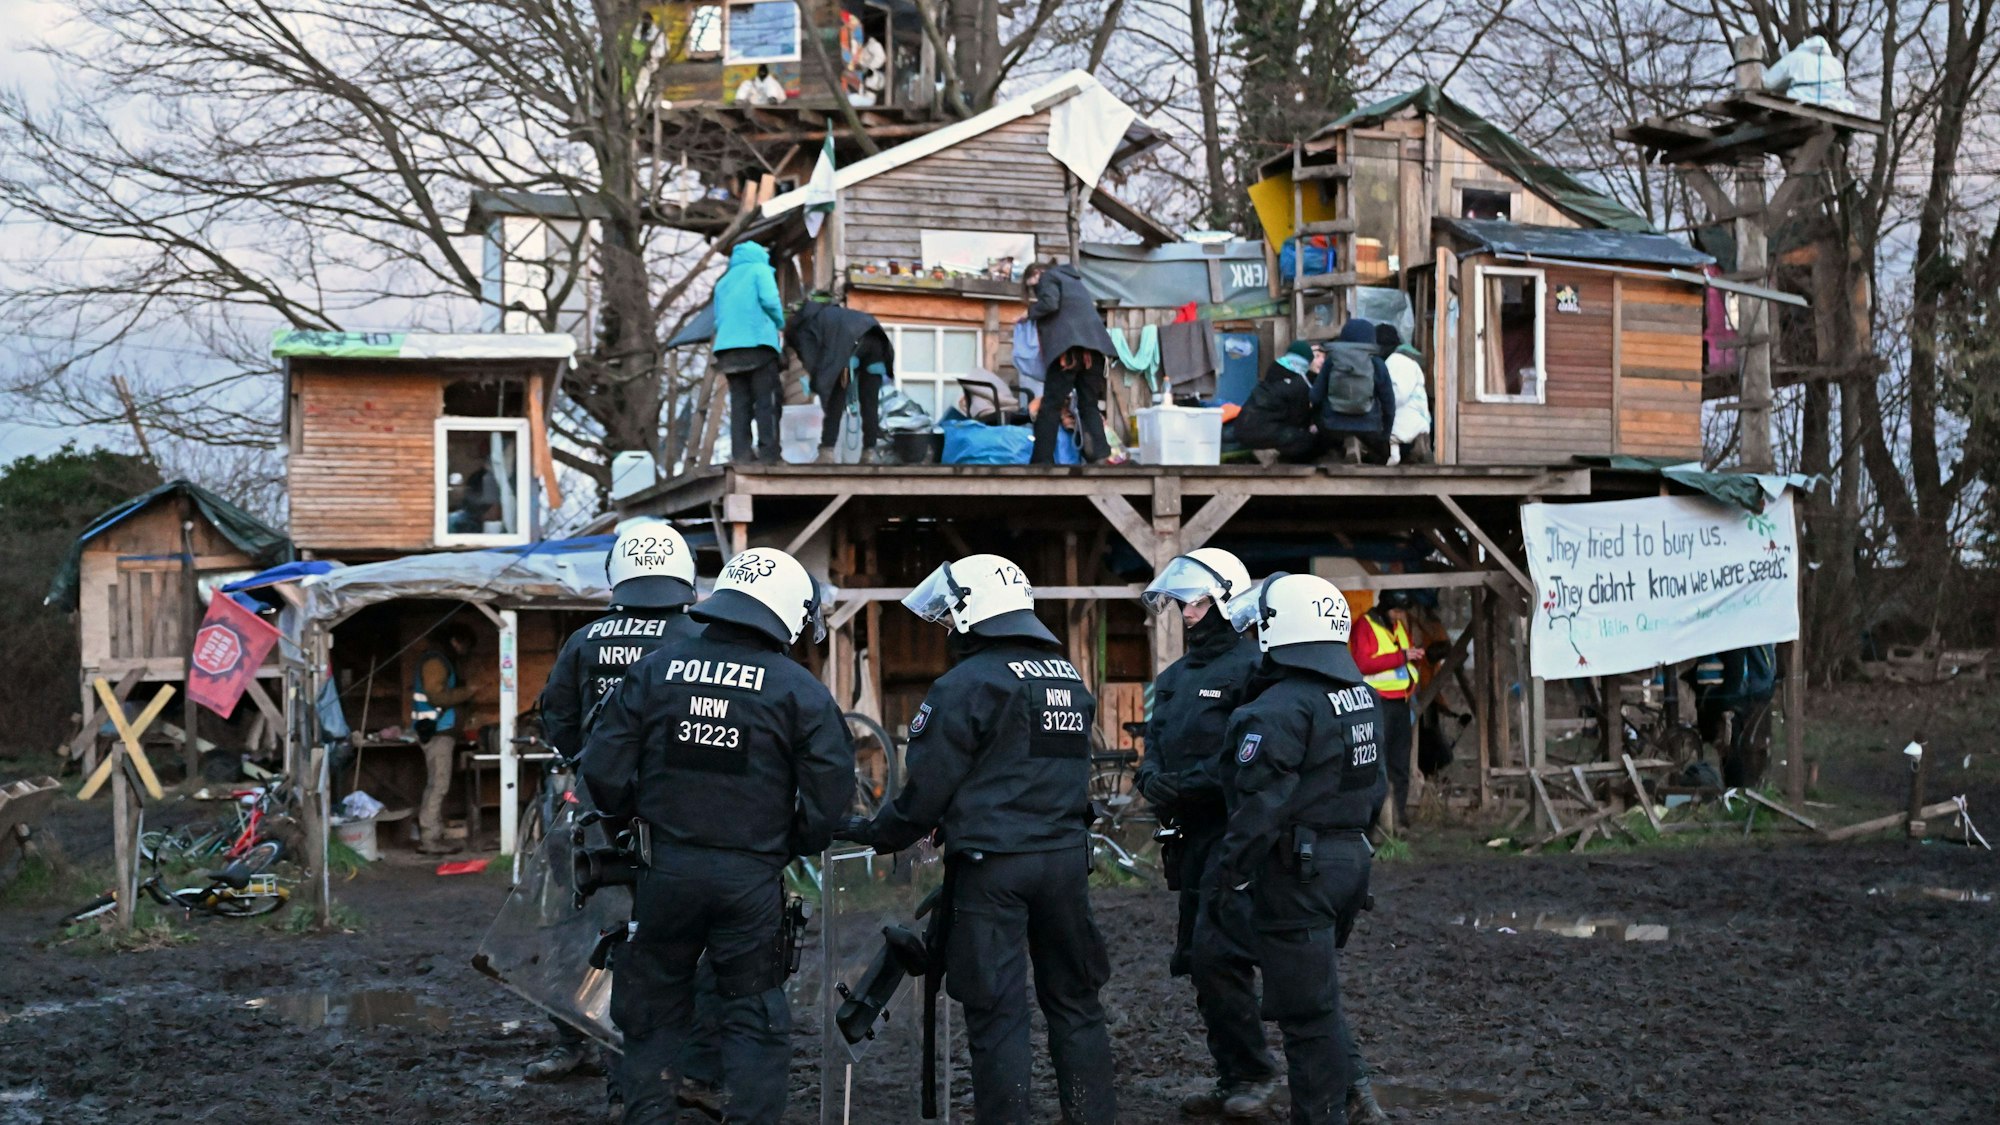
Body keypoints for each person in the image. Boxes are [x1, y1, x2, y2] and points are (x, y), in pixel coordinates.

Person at [836, 553, 1116, 1125]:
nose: (946, 626)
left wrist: (874, 832)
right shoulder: (1067, 678)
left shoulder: (966, 684)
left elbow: (926, 794)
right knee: (1077, 1003)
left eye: (950, 613)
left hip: (994, 871)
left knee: (997, 1011)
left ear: (974, 611)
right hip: (1065, 862)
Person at [579, 547, 855, 1125]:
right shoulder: (800, 690)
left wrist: (633, 827)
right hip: (750, 881)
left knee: (652, 1011)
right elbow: (829, 800)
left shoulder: (654, 671)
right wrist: (787, 843)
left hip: (663, 872)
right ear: (787, 612)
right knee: (753, 1015)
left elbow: (601, 772)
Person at [527, 518, 714, 1119]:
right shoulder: (703, 636)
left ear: (617, 573)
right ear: (684, 574)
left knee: (594, 937)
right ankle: (682, 1067)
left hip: (600, 822)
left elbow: (556, 717)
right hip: (685, 821)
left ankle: (601, 1065)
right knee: (685, 945)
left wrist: (591, 766)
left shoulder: (585, 640)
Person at [1213, 573, 1387, 1125]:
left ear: (1279, 629)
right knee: (1319, 1000)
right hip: (1349, 863)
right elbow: (1375, 786)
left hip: (1297, 873)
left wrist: (1229, 875)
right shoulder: (1361, 697)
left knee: (1305, 1019)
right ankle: (1349, 1100)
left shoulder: (1277, 710)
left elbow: (1259, 809)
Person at [1132, 550, 1281, 1117]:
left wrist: (1189, 784)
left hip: (1237, 835)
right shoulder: (1173, 679)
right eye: (1181, 602)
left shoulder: (1254, 671)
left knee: (1228, 954)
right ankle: (1234, 1075)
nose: (1187, 612)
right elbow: (1155, 742)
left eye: (1196, 601)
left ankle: (1270, 1074)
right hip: (1187, 838)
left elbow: (1252, 759)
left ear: (1225, 601)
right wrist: (1151, 778)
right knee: (1197, 957)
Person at [1024, 262, 1116, 465]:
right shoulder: (1074, 282)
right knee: (1089, 405)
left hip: (1069, 352)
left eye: (1033, 286)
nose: (1035, 291)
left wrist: (1029, 313)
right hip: (1095, 352)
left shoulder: (1048, 276)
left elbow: (1050, 303)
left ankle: (1041, 461)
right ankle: (1101, 456)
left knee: (1050, 405)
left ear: (1037, 273)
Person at [785, 293, 894, 464]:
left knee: (836, 395)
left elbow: (812, 361)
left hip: (851, 347)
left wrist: (818, 385)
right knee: (870, 401)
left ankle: (827, 450)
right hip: (877, 341)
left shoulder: (804, 327)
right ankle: (870, 451)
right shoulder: (831, 314)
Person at [1350, 590, 1420, 828]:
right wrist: (1402, 657)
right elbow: (1362, 663)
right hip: (1377, 702)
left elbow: (1406, 657)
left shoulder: (1398, 626)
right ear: (1385, 606)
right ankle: (1376, 821)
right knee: (1377, 763)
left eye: (1402, 612)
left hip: (1401, 702)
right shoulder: (1365, 626)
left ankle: (1399, 818)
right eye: (1396, 611)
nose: (1399, 616)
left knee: (1400, 763)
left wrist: (1416, 657)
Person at [712, 241, 786, 465]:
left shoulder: (723, 282)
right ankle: (769, 455)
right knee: (767, 401)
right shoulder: (760, 270)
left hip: (727, 350)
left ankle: (742, 454)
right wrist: (780, 322)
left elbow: (717, 319)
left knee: (740, 403)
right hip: (757, 345)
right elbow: (770, 301)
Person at [412, 623, 477, 855]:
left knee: (438, 784)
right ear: (455, 641)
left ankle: (434, 834)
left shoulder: (442, 661)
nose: (465, 651)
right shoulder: (435, 662)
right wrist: (468, 691)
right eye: (465, 645)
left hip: (441, 730)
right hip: (436, 731)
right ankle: (430, 838)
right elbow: (437, 696)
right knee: (438, 785)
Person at [1688, 645, 1777, 786]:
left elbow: (1735, 675)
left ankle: (1736, 788)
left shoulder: (1733, 644)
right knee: (1727, 750)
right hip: (1727, 699)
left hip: (1728, 703)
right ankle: (1734, 788)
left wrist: (1722, 703)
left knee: (1731, 751)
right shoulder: (1728, 642)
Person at [1314, 318, 1396, 465]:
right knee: (1382, 457)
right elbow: (1389, 403)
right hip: (1369, 428)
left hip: (1333, 427)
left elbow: (1315, 396)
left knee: (1326, 449)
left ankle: (1344, 448)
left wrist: (1320, 422)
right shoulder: (1376, 363)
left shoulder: (1332, 360)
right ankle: (1360, 447)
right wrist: (1385, 434)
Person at [1233, 341, 1322, 464]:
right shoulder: (1299, 383)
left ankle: (1263, 449)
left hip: (1241, 431)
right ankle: (1272, 452)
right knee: (1307, 440)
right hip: (1264, 432)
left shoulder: (1274, 371)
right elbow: (1298, 419)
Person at [1377, 324, 1432, 464]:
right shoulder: (1405, 360)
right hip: (1416, 424)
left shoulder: (1397, 361)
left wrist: (1379, 402)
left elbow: (1398, 395)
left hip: (1406, 426)